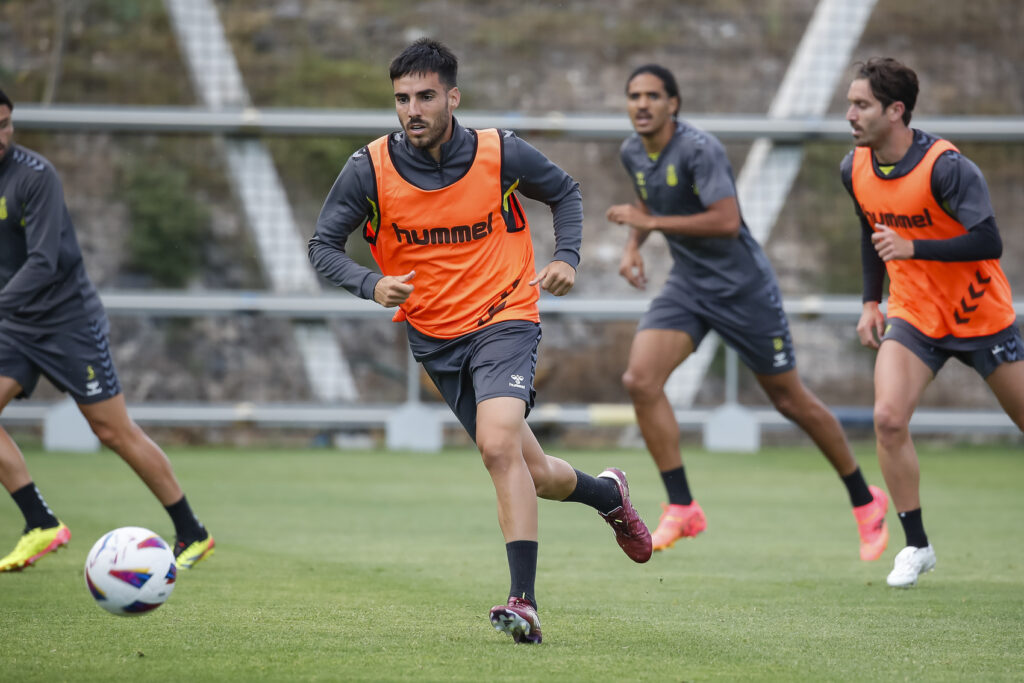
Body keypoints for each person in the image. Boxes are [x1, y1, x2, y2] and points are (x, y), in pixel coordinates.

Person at [308, 39, 651, 645]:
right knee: (534, 470)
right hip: (436, 340)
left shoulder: (499, 152)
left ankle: (523, 602)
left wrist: (567, 257)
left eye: (425, 96)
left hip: (506, 317)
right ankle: (608, 494)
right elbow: (322, 248)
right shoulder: (369, 168)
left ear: (452, 97)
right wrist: (371, 283)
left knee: (498, 447)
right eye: (401, 99)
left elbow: (565, 193)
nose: (412, 109)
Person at [605, 64, 889, 561]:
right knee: (639, 380)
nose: (642, 104)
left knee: (790, 401)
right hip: (689, 287)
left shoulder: (700, 149)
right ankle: (682, 505)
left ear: (674, 104)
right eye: (634, 95)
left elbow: (726, 220)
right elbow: (646, 201)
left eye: (653, 95)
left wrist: (649, 222)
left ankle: (866, 501)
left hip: (743, 291)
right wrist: (634, 244)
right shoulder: (633, 151)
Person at [0, 88, 214, 572]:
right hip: (15, 325)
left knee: (112, 430)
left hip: (66, 320)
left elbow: (43, 261)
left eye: (6, 123)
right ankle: (40, 523)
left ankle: (191, 531)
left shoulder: (35, 177)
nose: (2, 135)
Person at [841, 57, 1023, 588]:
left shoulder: (947, 166)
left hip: (981, 315)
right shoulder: (853, 167)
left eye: (861, 105)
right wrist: (871, 302)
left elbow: (989, 240)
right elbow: (871, 233)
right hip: (914, 316)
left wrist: (914, 245)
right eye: (850, 103)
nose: (850, 114)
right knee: (889, 419)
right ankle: (916, 545)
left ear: (896, 110)